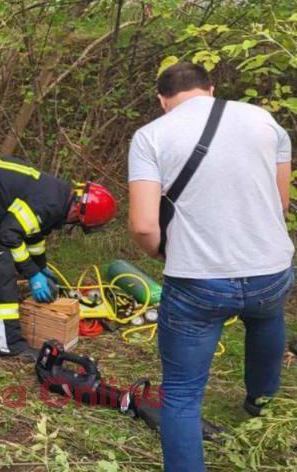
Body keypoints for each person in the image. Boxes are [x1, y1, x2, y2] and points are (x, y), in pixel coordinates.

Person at [127, 62, 294, 471]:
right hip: (272, 270)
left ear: (162, 100)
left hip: (198, 281)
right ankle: (261, 401)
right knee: (266, 316)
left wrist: (160, 254)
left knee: (182, 394)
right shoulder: (264, 120)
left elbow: (145, 224)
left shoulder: (151, 136)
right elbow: (282, 202)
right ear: (211, 88)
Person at [0, 155, 117, 356]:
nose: (73, 225)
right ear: (77, 211)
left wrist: (40, 266)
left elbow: (33, 235)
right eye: (77, 222)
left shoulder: (58, 196)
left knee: (1, 255)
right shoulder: (50, 204)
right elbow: (9, 234)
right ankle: (9, 345)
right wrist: (33, 275)